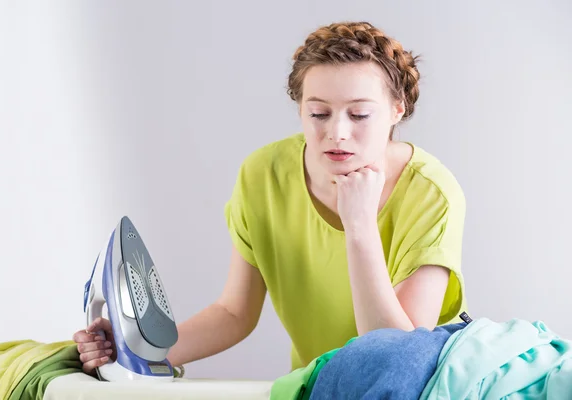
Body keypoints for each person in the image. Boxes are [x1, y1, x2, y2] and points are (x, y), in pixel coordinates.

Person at [73, 20, 468, 376]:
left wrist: (360, 225)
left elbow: (394, 359)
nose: (338, 132)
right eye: (319, 114)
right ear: (300, 109)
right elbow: (234, 313)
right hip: (312, 387)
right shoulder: (263, 176)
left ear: (397, 110)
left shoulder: (431, 195)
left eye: (359, 115)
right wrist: (136, 351)